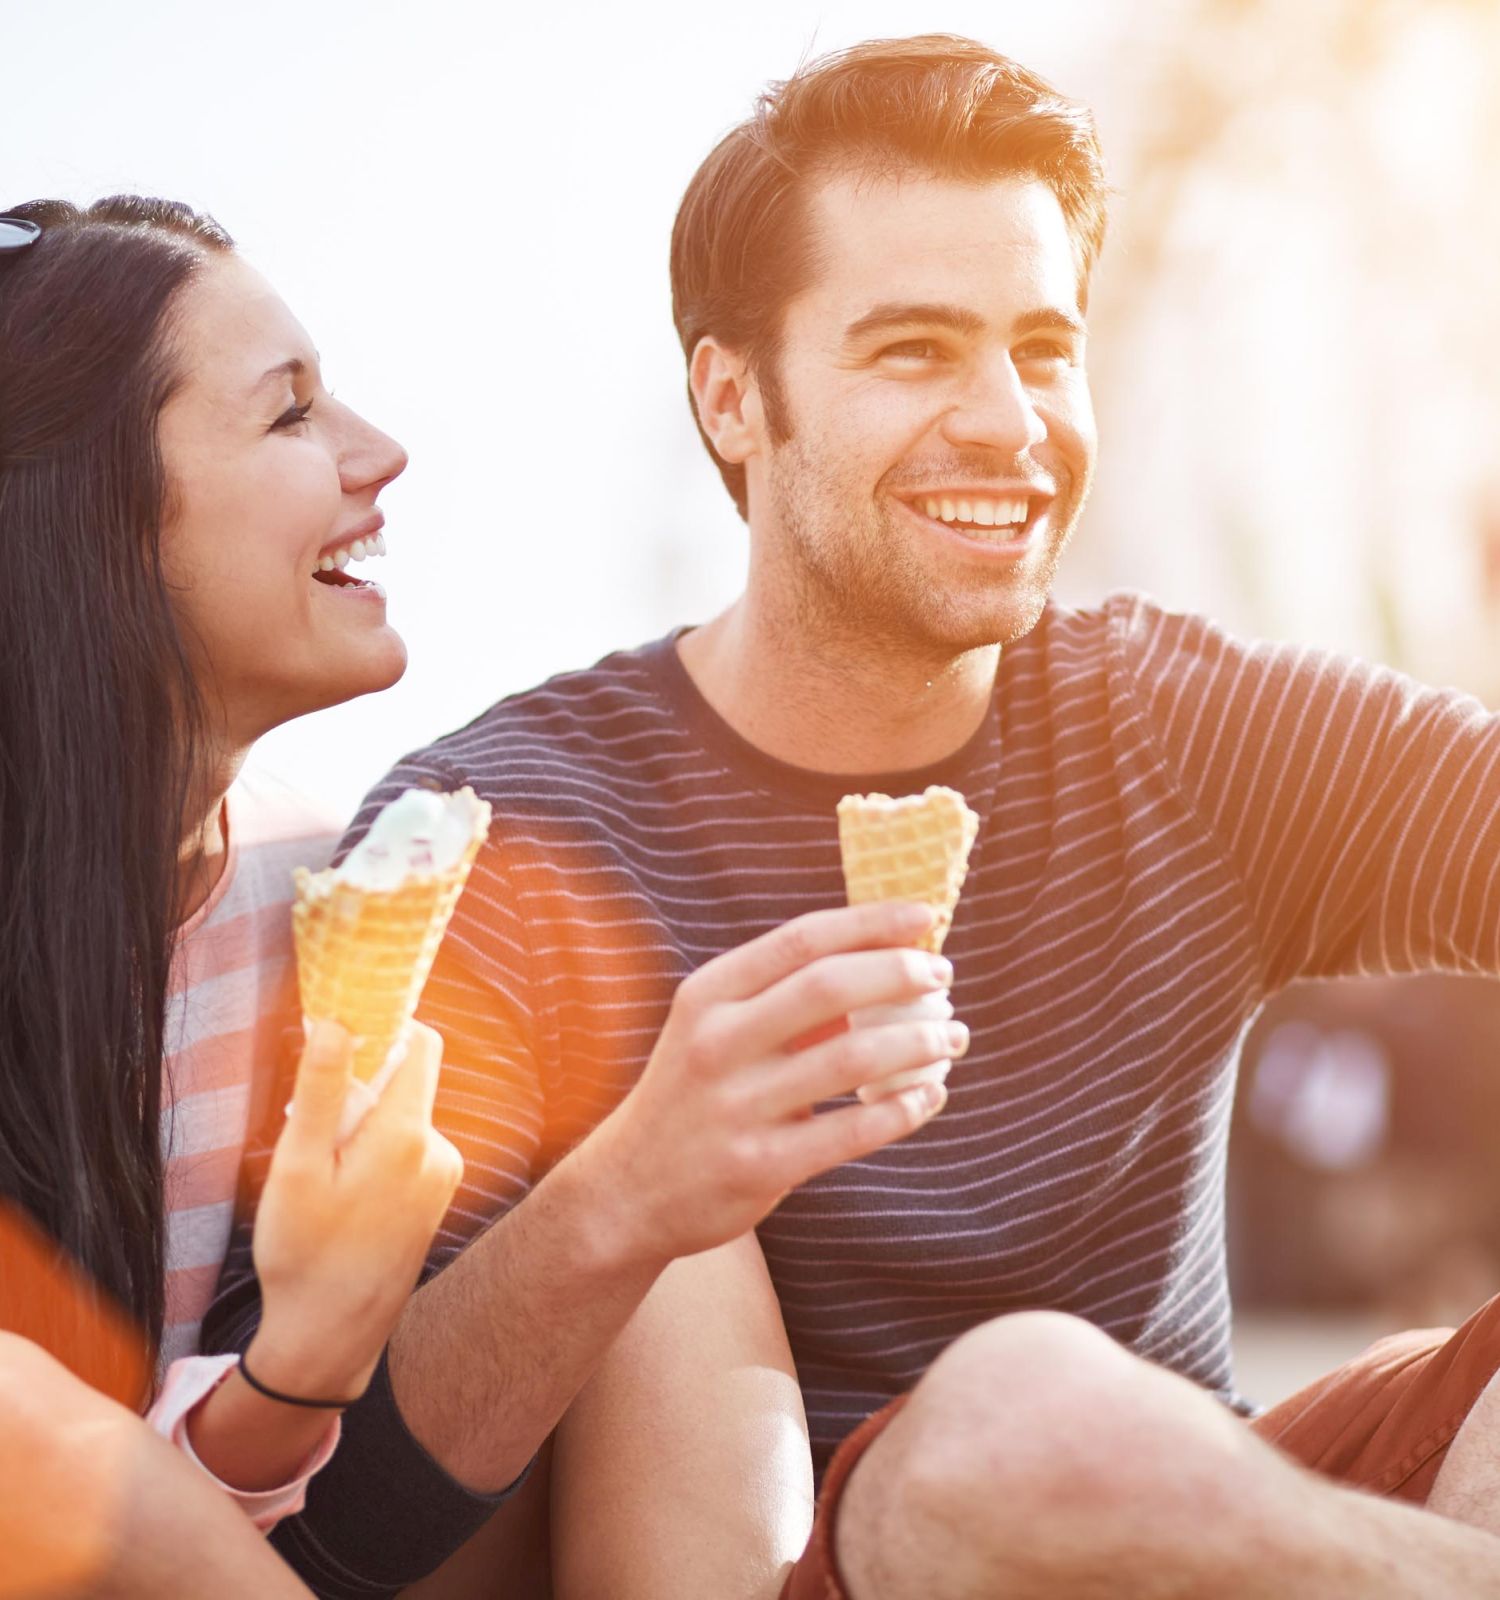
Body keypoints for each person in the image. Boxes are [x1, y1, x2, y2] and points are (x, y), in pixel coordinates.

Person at [206, 34, 1500, 1600]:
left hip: (1217, 1538)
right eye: (915, 351)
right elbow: (318, 1531)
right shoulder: (500, 836)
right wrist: (630, 1193)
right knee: (1023, 1414)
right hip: (827, 1557)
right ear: (733, 399)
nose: (1013, 422)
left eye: (1043, 344)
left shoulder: (1183, 728)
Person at [0, 196, 468, 1596]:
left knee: (633, 1196)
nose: (381, 455)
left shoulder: (329, 894)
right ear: (89, 519)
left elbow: (163, 1522)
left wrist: (305, 1360)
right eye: (289, 416)